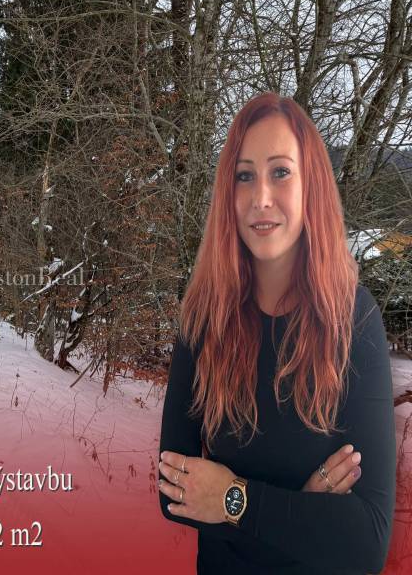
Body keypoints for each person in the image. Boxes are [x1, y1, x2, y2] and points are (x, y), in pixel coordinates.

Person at [157, 92, 396, 574]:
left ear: (312, 187)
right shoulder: (204, 320)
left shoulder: (353, 320)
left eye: (280, 172)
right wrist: (303, 512)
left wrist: (232, 499)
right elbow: (173, 493)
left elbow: (367, 543)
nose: (260, 197)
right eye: (244, 175)